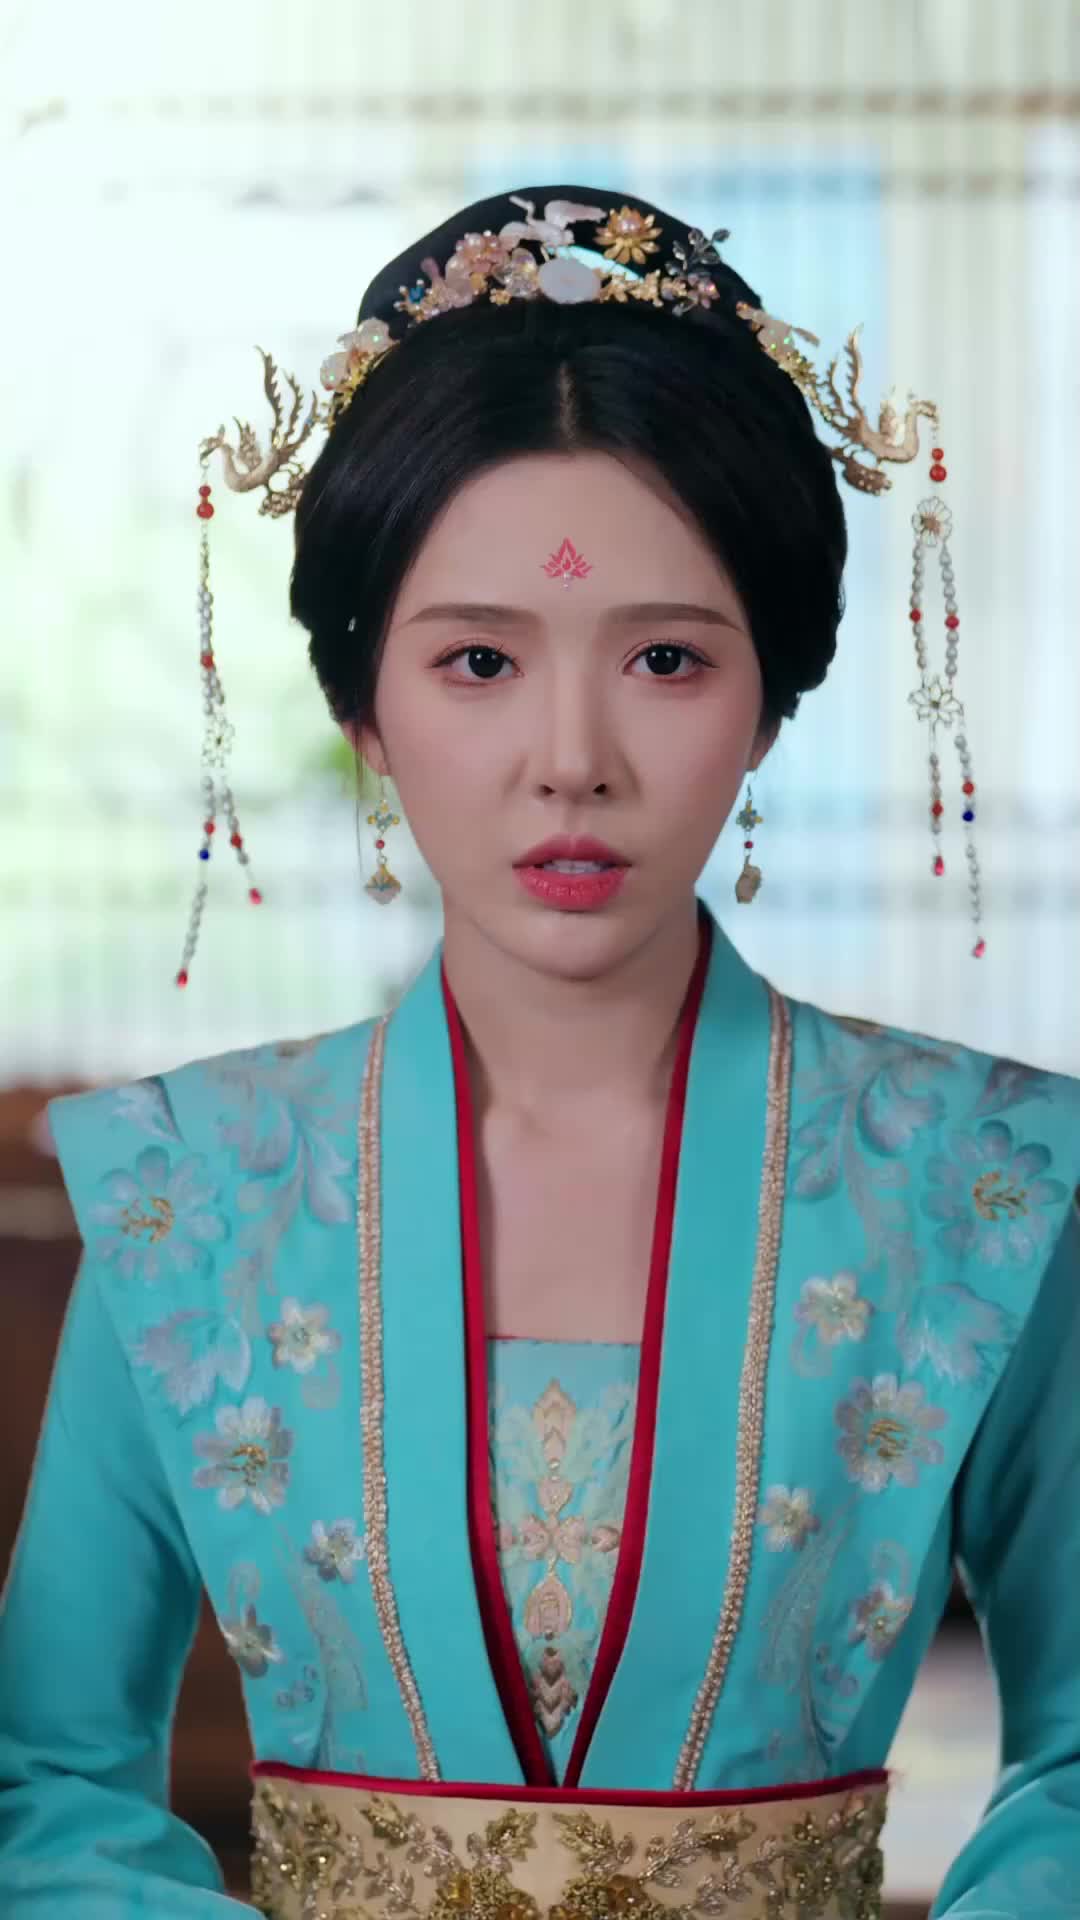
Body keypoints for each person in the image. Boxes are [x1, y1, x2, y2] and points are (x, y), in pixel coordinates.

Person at [1, 185, 1077, 1920]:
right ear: (361, 703)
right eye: (481, 660)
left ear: (773, 698)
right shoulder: (179, 1197)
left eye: (663, 657)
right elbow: (44, 1782)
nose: (572, 758)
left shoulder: (988, 1183)